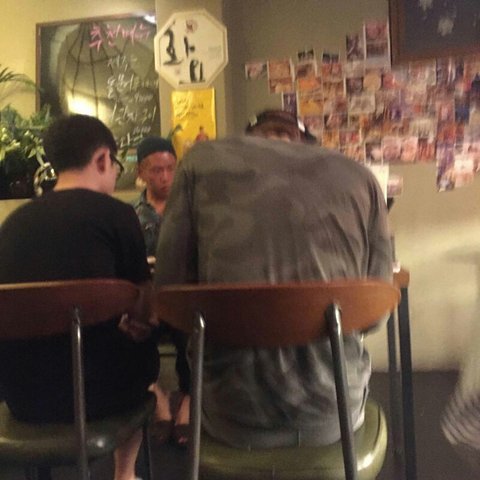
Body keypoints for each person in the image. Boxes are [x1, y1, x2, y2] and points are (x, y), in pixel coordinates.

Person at [154, 111, 392, 449]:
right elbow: (375, 316)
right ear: (304, 142)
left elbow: (170, 293)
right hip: (334, 410)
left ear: (249, 137)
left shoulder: (199, 163)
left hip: (230, 413)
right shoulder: (361, 177)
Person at [0, 114, 159, 480]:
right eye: (116, 165)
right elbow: (143, 305)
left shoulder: (13, 223)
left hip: (21, 396)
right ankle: (125, 473)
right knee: (144, 350)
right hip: (99, 394)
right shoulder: (118, 214)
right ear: (102, 159)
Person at [133, 136, 191, 446]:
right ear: (141, 172)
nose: (165, 177)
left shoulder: (189, 208)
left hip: (180, 296)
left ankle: (188, 399)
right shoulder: (131, 214)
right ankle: (156, 396)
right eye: (156, 170)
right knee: (134, 334)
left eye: (170, 168)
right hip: (147, 297)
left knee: (190, 334)